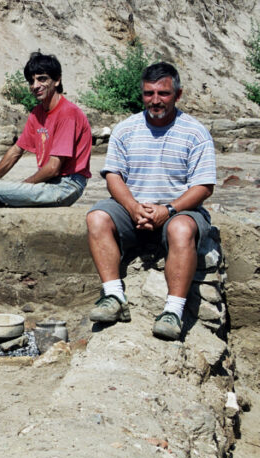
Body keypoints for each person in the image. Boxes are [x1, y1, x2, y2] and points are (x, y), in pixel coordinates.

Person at [86, 62, 217, 341]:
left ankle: (173, 311)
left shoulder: (195, 133)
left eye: (163, 93)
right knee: (97, 217)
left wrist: (168, 209)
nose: (155, 100)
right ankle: (114, 297)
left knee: (180, 229)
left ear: (177, 95)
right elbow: (114, 176)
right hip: (134, 209)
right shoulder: (126, 129)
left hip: (179, 210)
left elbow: (204, 186)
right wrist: (133, 208)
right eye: (149, 93)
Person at [0, 52, 92, 207]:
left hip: (65, 186)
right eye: (31, 81)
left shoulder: (67, 113)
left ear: (57, 80)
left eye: (42, 79)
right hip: (47, 183)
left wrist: (23, 187)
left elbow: (53, 168)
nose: (35, 86)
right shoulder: (37, 113)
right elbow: (16, 151)